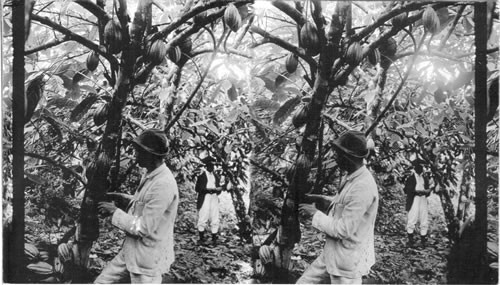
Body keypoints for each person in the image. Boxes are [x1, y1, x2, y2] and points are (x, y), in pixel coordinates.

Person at [95, 128, 179, 284]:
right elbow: (145, 204)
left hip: (147, 261)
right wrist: (125, 199)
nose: (135, 156)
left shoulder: (163, 184)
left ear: (151, 155)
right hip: (130, 253)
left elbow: (144, 227)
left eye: (139, 152)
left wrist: (114, 213)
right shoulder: (150, 174)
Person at [297, 130, 379, 284]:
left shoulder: (362, 186)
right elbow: (345, 205)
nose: (335, 157)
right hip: (332, 255)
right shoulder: (353, 177)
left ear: (349, 157)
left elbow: (344, 229)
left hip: (346, 263)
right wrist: (323, 200)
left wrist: (314, 214)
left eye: (338, 154)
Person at [196, 156, 223, 245]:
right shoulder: (202, 176)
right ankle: (201, 238)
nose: (212, 167)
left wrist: (218, 189)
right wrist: (209, 190)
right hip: (205, 197)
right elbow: (198, 189)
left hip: (214, 197)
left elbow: (219, 188)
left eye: (213, 166)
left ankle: (214, 238)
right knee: (203, 215)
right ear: (206, 166)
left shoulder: (216, 176)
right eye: (210, 165)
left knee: (215, 216)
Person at [404, 162, 432, 247]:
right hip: (414, 199)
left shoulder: (425, 177)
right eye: (418, 167)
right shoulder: (411, 178)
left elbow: (427, 190)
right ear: (415, 169)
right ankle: (410, 240)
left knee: (424, 218)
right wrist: (417, 192)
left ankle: (423, 239)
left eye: (421, 167)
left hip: (423, 198)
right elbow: (406, 190)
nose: (420, 169)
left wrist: (427, 192)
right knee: (412, 217)